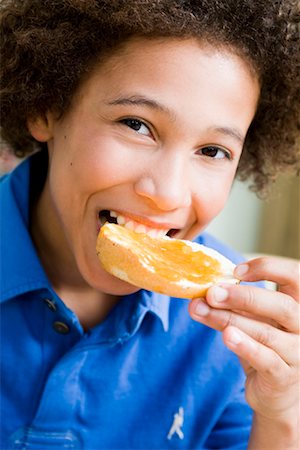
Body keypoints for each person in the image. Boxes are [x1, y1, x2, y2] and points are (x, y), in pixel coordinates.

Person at [0, 1, 299, 449]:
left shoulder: (236, 337)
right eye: (137, 125)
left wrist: (281, 413)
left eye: (213, 151)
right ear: (46, 107)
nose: (169, 194)